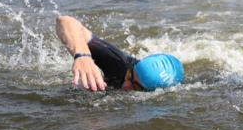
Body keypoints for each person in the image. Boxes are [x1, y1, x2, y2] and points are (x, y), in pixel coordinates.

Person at [55, 15, 185, 92]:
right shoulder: (119, 64)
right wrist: (83, 56)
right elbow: (65, 21)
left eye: (137, 88)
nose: (126, 84)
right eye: (130, 76)